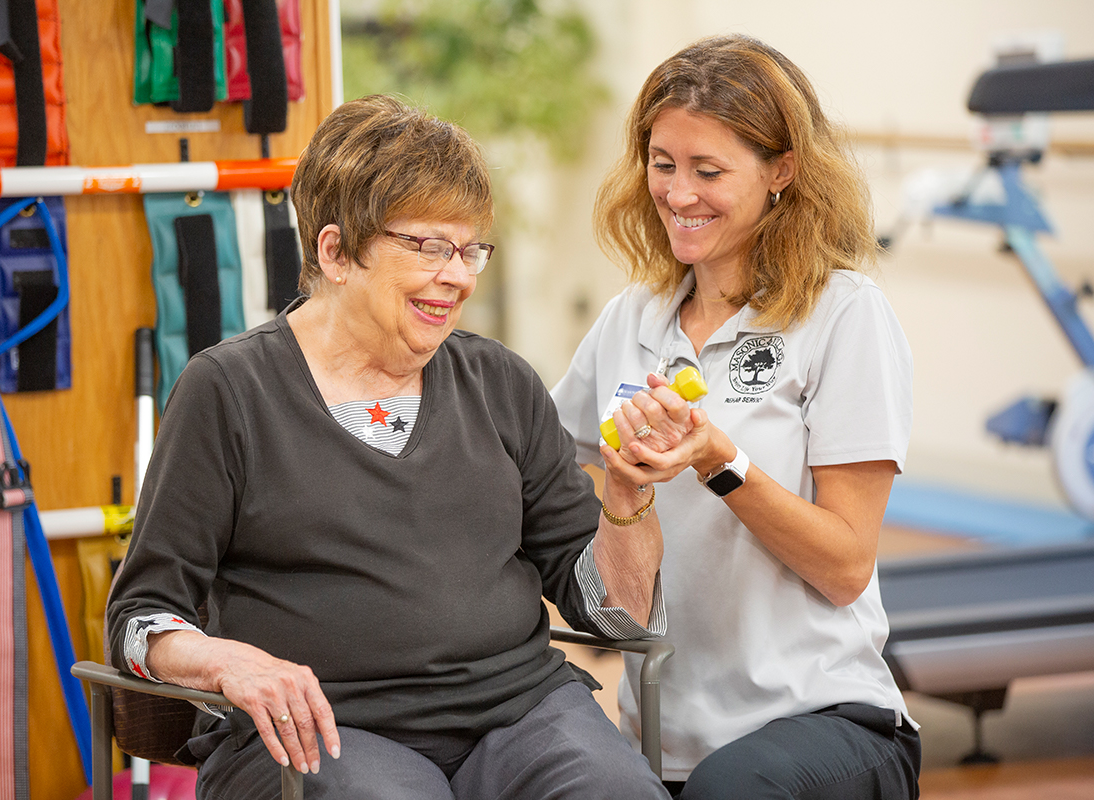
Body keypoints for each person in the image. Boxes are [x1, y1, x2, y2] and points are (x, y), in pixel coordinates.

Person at [107, 94, 675, 800]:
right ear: (337, 252)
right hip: (325, 731)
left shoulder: (499, 381)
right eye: (430, 247)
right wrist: (229, 665)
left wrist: (628, 497)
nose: (460, 275)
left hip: (521, 713)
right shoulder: (228, 391)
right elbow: (141, 619)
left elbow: (610, 612)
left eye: (471, 249)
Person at [550, 34, 920, 799]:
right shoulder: (633, 318)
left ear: (781, 170)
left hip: (823, 716)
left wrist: (721, 463)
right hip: (663, 730)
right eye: (663, 164)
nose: (679, 193)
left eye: (708, 171)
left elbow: (847, 565)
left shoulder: (843, 315)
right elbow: (544, 463)